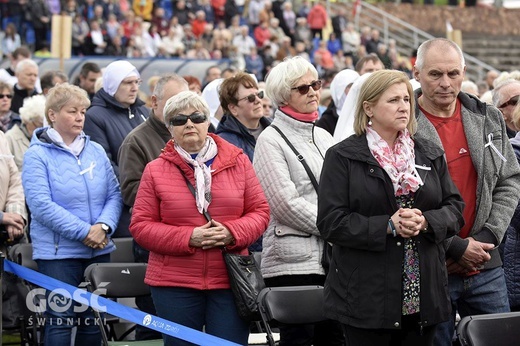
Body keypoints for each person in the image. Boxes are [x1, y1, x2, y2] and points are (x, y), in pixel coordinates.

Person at [316, 70, 465, 345]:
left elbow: (455, 207)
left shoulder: (428, 151)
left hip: (423, 293)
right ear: (368, 108)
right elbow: (331, 222)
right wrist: (387, 226)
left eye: (407, 99)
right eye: (393, 100)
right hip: (367, 296)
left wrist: (427, 221)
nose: (403, 107)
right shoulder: (343, 156)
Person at [129, 90, 270, 345]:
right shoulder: (155, 170)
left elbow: (260, 211)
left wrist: (232, 232)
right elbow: (140, 226)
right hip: (174, 283)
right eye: (179, 120)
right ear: (169, 128)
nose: (190, 124)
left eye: (197, 117)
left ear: (208, 121)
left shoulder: (239, 161)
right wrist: (188, 237)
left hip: (230, 281)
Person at [412, 38, 520, 346]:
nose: (445, 83)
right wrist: (455, 247)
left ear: (464, 71)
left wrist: (484, 239)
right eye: (435, 74)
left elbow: (509, 181)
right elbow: (400, 200)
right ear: (416, 72)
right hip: (433, 266)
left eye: (453, 74)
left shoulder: (488, 116)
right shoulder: (403, 124)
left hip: (485, 264)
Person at [252, 56, 344, 346]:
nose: (314, 92)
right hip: (293, 262)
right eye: (303, 88)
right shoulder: (270, 139)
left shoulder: (324, 136)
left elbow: (345, 192)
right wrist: (336, 226)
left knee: (336, 338)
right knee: (300, 340)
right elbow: (284, 204)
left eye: (315, 84)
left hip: (333, 260)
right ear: (283, 96)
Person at [21, 83, 122, 345]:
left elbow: (114, 194)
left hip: (99, 249)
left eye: (83, 112)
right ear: (52, 115)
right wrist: (85, 231)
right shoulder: (37, 155)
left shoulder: (96, 150)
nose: (80, 117)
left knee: (93, 321)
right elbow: (41, 205)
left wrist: (104, 226)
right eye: (72, 111)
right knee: (60, 320)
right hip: (59, 255)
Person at [118, 74, 188, 340]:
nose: (180, 111)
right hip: (155, 243)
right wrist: (178, 202)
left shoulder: (194, 136)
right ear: (155, 102)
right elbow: (131, 193)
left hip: (190, 240)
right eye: (173, 103)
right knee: (156, 320)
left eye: (184, 103)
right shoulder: (136, 141)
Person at [84, 60, 149, 238]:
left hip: (149, 199)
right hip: (123, 204)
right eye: (128, 83)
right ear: (112, 84)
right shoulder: (94, 116)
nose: (134, 88)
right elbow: (104, 162)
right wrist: (142, 188)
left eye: (137, 82)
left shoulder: (144, 112)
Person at [5, 94, 46, 172]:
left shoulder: (45, 138)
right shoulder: (10, 138)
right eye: (38, 125)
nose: (41, 130)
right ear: (27, 120)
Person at [316, 69, 359, 135]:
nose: (354, 90)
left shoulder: (366, 115)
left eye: (357, 86)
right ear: (339, 90)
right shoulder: (326, 122)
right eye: (350, 86)